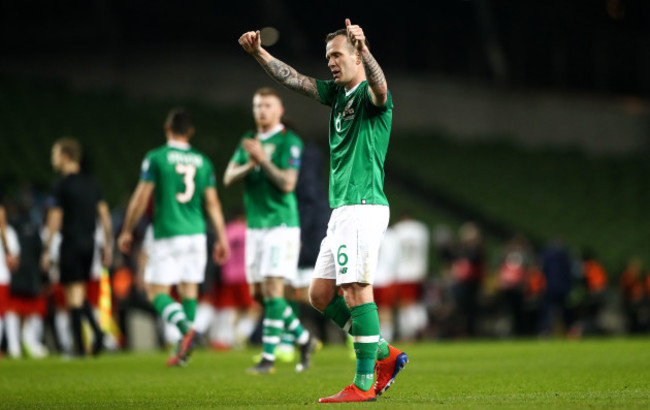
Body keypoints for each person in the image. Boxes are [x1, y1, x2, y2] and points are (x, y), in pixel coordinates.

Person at [239, 18, 408, 402]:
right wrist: (259, 53)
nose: (331, 61)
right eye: (328, 55)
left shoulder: (369, 95)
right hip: (341, 210)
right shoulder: (338, 95)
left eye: (338, 55)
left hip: (362, 205)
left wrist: (367, 52)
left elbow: (381, 89)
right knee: (318, 294)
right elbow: (295, 79)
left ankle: (365, 383)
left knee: (355, 290)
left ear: (356, 56)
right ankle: (382, 351)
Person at [118, 107, 230, 367]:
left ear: (167, 128)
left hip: (168, 232)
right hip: (197, 235)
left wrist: (127, 229)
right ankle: (182, 351)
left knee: (155, 291)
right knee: (188, 290)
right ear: (190, 132)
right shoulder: (203, 161)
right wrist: (222, 238)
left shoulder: (157, 157)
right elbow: (212, 203)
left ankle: (184, 329)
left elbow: (141, 197)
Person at [223, 87, 319, 374]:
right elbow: (228, 176)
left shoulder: (290, 141)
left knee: (275, 288)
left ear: (280, 111)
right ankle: (304, 340)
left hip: (281, 224)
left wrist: (263, 161)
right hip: (256, 227)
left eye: (267, 105)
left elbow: (288, 183)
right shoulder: (248, 141)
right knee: (261, 295)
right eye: (257, 106)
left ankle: (268, 358)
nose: (261, 110)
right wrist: (250, 164)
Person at [41, 138, 112, 357]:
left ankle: (83, 345)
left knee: (73, 294)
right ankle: (91, 339)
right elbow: (104, 215)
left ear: (64, 156)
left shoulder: (61, 185)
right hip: (90, 243)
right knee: (79, 294)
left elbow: (55, 217)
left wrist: (47, 248)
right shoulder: (92, 182)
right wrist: (108, 246)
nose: (53, 159)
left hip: (71, 241)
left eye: (55, 154)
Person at [392, 213, 430, 342]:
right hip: (418, 271)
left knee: (405, 304)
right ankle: (420, 327)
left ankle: (410, 331)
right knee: (416, 302)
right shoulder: (421, 229)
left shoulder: (397, 230)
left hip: (402, 272)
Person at [0, 204, 20, 358]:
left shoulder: (10, 233)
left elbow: (13, 260)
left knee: (4, 313)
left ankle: (13, 348)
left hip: (3, 278)